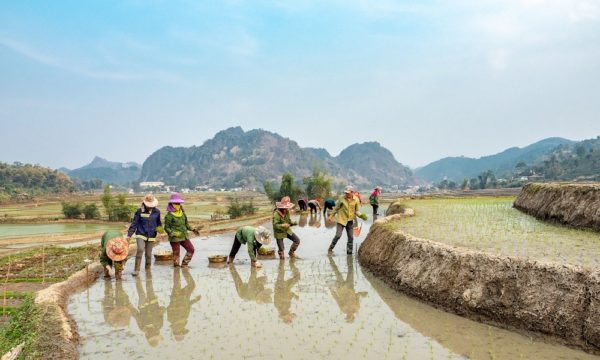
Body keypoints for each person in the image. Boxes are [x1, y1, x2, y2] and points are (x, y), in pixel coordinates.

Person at [127, 194, 161, 276]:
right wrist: (129, 235)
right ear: (145, 203)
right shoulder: (139, 211)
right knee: (140, 249)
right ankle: (136, 270)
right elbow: (134, 223)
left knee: (148, 254)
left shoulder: (157, 212)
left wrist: (160, 229)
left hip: (151, 235)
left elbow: (158, 223)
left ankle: (147, 269)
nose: (150, 207)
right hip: (141, 234)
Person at [327, 186, 368, 255]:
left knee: (351, 238)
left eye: (348, 193)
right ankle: (330, 248)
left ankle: (349, 253)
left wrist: (361, 215)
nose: (346, 194)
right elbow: (336, 209)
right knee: (338, 235)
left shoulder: (356, 200)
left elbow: (356, 211)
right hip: (341, 220)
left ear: (352, 192)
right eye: (345, 193)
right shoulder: (341, 199)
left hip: (350, 221)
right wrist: (331, 216)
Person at [328, 255, 368, 323]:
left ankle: (330, 258)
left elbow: (337, 299)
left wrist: (331, 290)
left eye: (347, 317)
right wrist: (361, 293)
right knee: (351, 269)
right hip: (350, 286)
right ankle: (348, 257)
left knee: (336, 271)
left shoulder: (343, 309)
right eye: (349, 317)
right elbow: (357, 296)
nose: (348, 316)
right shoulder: (357, 307)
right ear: (353, 317)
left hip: (341, 287)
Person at [130, 272, 165, 347]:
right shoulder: (159, 325)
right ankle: (148, 273)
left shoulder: (142, 327)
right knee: (150, 288)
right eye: (155, 334)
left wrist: (129, 308)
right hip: (153, 302)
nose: (153, 333)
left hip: (143, 305)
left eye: (152, 335)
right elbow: (161, 312)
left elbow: (137, 316)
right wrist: (162, 309)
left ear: (148, 335)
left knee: (141, 292)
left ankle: (137, 278)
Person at [164, 192, 199, 268]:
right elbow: (166, 227)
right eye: (175, 203)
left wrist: (193, 229)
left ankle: (184, 264)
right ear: (171, 204)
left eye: (178, 203)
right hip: (175, 238)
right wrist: (172, 233)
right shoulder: (169, 216)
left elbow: (186, 225)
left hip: (184, 236)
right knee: (176, 253)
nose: (177, 205)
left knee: (191, 249)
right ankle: (176, 269)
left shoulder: (183, 214)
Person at [167, 268, 201, 342]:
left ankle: (177, 270)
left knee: (177, 282)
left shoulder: (171, 319)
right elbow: (187, 305)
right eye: (182, 330)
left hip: (176, 296)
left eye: (180, 331)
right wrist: (195, 300)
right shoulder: (184, 319)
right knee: (192, 285)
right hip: (185, 296)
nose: (182, 329)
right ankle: (184, 270)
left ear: (175, 330)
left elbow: (169, 308)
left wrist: (178, 305)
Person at [274, 260, 300, 324]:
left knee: (281, 272)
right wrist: (294, 295)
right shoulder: (287, 307)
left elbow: (282, 296)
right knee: (297, 277)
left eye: (288, 314)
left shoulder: (278, 306)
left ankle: (286, 263)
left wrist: (293, 295)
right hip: (286, 288)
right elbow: (288, 297)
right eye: (289, 314)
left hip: (280, 287)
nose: (289, 313)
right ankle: (291, 263)